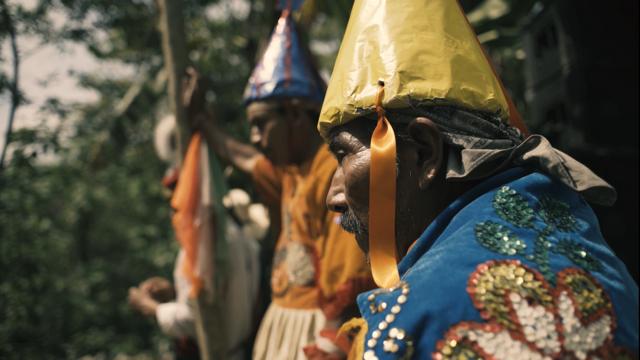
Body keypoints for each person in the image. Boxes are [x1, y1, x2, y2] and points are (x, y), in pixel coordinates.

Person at [318, 0, 639, 359]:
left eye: (344, 154)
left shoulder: (418, 315)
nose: (334, 196)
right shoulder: (572, 224)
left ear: (425, 153)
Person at [184, 3, 373, 359]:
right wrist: (204, 124)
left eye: (261, 124)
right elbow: (245, 157)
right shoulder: (290, 173)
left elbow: (346, 284)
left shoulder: (331, 172)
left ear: (295, 115)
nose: (255, 137)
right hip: (284, 324)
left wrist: (327, 348)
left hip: (319, 329)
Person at [129, 115, 267, 360]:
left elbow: (195, 320)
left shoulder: (206, 243)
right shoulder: (236, 235)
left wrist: (151, 307)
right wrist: (174, 293)